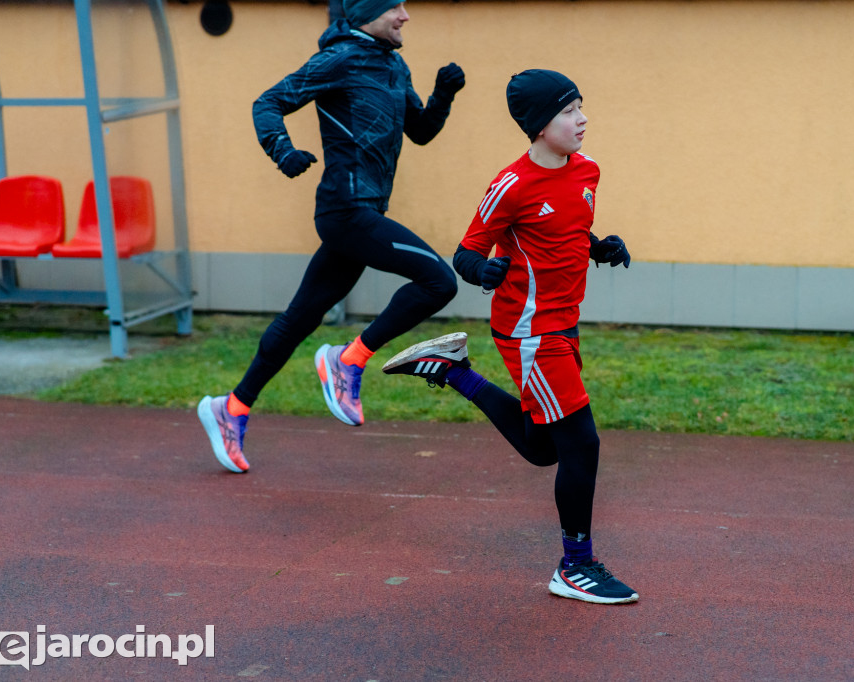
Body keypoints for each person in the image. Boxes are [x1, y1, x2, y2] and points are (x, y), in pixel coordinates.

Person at [381, 69, 637, 604]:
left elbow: (564, 229)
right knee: (582, 445)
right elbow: (467, 252)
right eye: (569, 111)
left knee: (546, 449)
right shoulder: (511, 185)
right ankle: (575, 566)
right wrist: (483, 273)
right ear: (540, 125)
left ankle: (453, 370)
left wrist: (597, 246)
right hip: (529, 330)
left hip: (563, 323)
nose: (582, 119)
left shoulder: (588, 170)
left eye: (581, 107)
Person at [198, 0, 465, 473]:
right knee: (438, 282)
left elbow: (420, 131)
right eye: (394, 8)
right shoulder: (340, 58)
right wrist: (282, 151)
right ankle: (349, 359)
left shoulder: (393, 64)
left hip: (363, 212)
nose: (405, 16)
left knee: (300, 318)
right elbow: (269, 102)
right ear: (367, 13)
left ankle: (231, 408)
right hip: (346, 210)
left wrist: (444, 94)